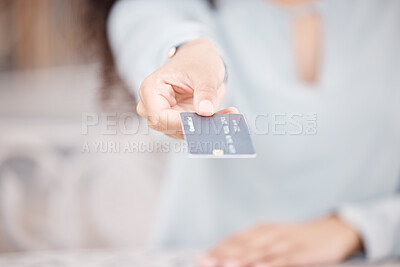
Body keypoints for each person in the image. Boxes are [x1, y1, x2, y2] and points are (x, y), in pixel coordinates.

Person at [91, 0, 400, 266]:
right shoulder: (164, 9)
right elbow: (156, 31)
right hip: (211, 260)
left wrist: (358, 228)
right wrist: (187, 55)